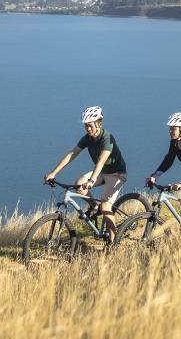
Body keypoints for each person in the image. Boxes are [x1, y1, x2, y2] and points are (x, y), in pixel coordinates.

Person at [44, 105, 127, 245]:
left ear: (99, 123)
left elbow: (101, 160)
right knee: (79, 184)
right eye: (85, 126)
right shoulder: (87, 138)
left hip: (116, 174)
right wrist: (53, 173)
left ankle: (114, 241)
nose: (88, 129)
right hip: (103, 172)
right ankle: (95, 207)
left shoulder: (107, 138)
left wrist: (92, 180)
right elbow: (72, 154)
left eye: (90, 126)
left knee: (106, 206)